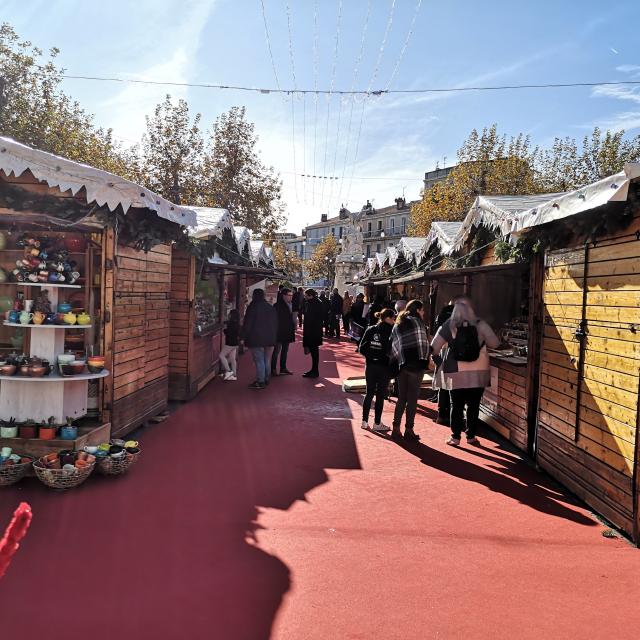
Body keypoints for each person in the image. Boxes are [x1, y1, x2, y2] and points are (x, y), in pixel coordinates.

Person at [430, 296, 500, 446]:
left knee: (456, 405)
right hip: (479, 373)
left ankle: (455, 437)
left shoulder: (448, 325)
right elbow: (495, 343)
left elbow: (434, 348)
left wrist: (440, 362)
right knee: (474, 406)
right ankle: (471, 436)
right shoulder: (481, 325)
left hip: (455, 373)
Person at [390, 300, 429, 442]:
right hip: (416, 365)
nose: (423, 312)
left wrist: (398, 360)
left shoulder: (398, 324)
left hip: (402, 365)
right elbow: (423, 344)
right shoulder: (419, 323)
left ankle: (395, 428)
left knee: (402, 397)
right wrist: (425, 360)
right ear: (418, 310)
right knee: (412, 399)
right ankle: (409, 429)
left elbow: (393, 345)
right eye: (422, 310)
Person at [359, 308, 395, 432]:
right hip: (384, 367)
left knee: (369, 393)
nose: (395, 320)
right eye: (393, 318)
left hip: (370, 366)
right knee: (380, 395)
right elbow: (394, 350)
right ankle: (377, 423)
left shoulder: (370, 329)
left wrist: (371, 357)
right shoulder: (392, 331)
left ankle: (364, 421)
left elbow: (361, 348)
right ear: (388, 318)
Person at [242, 288, 278, 389]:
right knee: (266, 359)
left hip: (256, 337)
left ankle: (260, 381)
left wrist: (243, 336)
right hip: (270, 337)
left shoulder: (252, 307)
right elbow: (275, 323)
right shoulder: (270, 307)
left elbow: (248, 323)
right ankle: (266, 378)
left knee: (259, 360)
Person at [433, 300, 455, 425]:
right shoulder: (456, 324)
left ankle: (441, 415)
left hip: (443, 354)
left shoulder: (442, 321)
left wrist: (438, 361)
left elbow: (434, 347)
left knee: (443, 387)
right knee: (450, 389)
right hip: (452, 359)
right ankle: (447, 415)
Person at [272, 288, 296, 376]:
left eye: (291, 295)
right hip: (279, 332)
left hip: (287, 332)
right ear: (284, 296)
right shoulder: (277, 306)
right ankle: (273, 369)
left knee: (285, 351)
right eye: (289, 295)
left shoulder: (290, 305)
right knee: (276, 351)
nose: (291, 297)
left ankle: (283, 368)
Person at [302, 288, 324, 378]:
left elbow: (311, 318)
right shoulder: (315, 302)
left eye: (306, 295)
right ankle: (314, 370)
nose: (305, 297)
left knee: (314, 352)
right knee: (314, 352)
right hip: (314, 331)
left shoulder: (314, 304)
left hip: (312, 331)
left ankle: (315, 371)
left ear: (310, 295)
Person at [219, 308, 240, 381]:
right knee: (232, 359)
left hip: (229, 343)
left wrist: (224, 329)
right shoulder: (237, 323)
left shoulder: (230, 323)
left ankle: (229, 371)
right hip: (235, 343)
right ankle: (234, 374)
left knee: (221, 355)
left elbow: (228, 333)